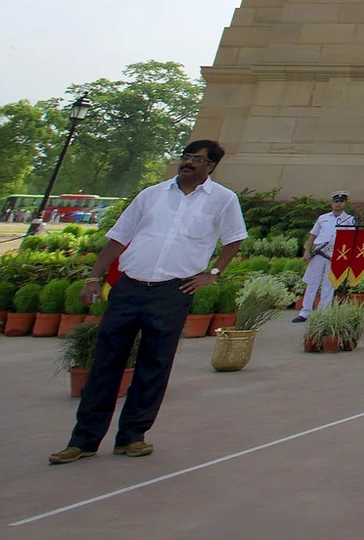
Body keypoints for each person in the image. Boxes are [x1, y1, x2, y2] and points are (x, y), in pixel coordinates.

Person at [49, 140, 245, 463]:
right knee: (105, 364)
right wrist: (93, 276)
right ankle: (83, 440)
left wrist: (212, 273)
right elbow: (119, 237)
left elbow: (235, 239)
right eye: (186, 157)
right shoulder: (151, 195)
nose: (188, 163)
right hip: (129, 288)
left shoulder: (223, 200)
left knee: (154, 366)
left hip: (173, 292)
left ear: (211, 166)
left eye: (197, 159)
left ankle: (132, 436)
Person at [295, 192, 355, 321]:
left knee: (329, 284)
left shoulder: (349, 220)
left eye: (341, 201)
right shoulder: (323, 218)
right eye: (336, 201)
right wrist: (307, 252)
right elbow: (313, 236)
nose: (338, 204)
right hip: (319, 253)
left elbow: (351, 240)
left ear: (345, 203)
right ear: (332, 203)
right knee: (312, 282)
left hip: (335, 254)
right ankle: (305, 312)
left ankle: (323, 314)